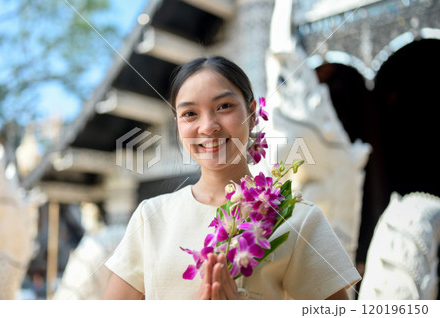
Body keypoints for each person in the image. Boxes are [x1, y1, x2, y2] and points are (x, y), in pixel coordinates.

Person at [102, 56, 361, 300]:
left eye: (224, 106)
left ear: (252, 113)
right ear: (177, 125)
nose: (208, 127)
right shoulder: (151, 217)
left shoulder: (296, 218)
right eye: (190, 113)